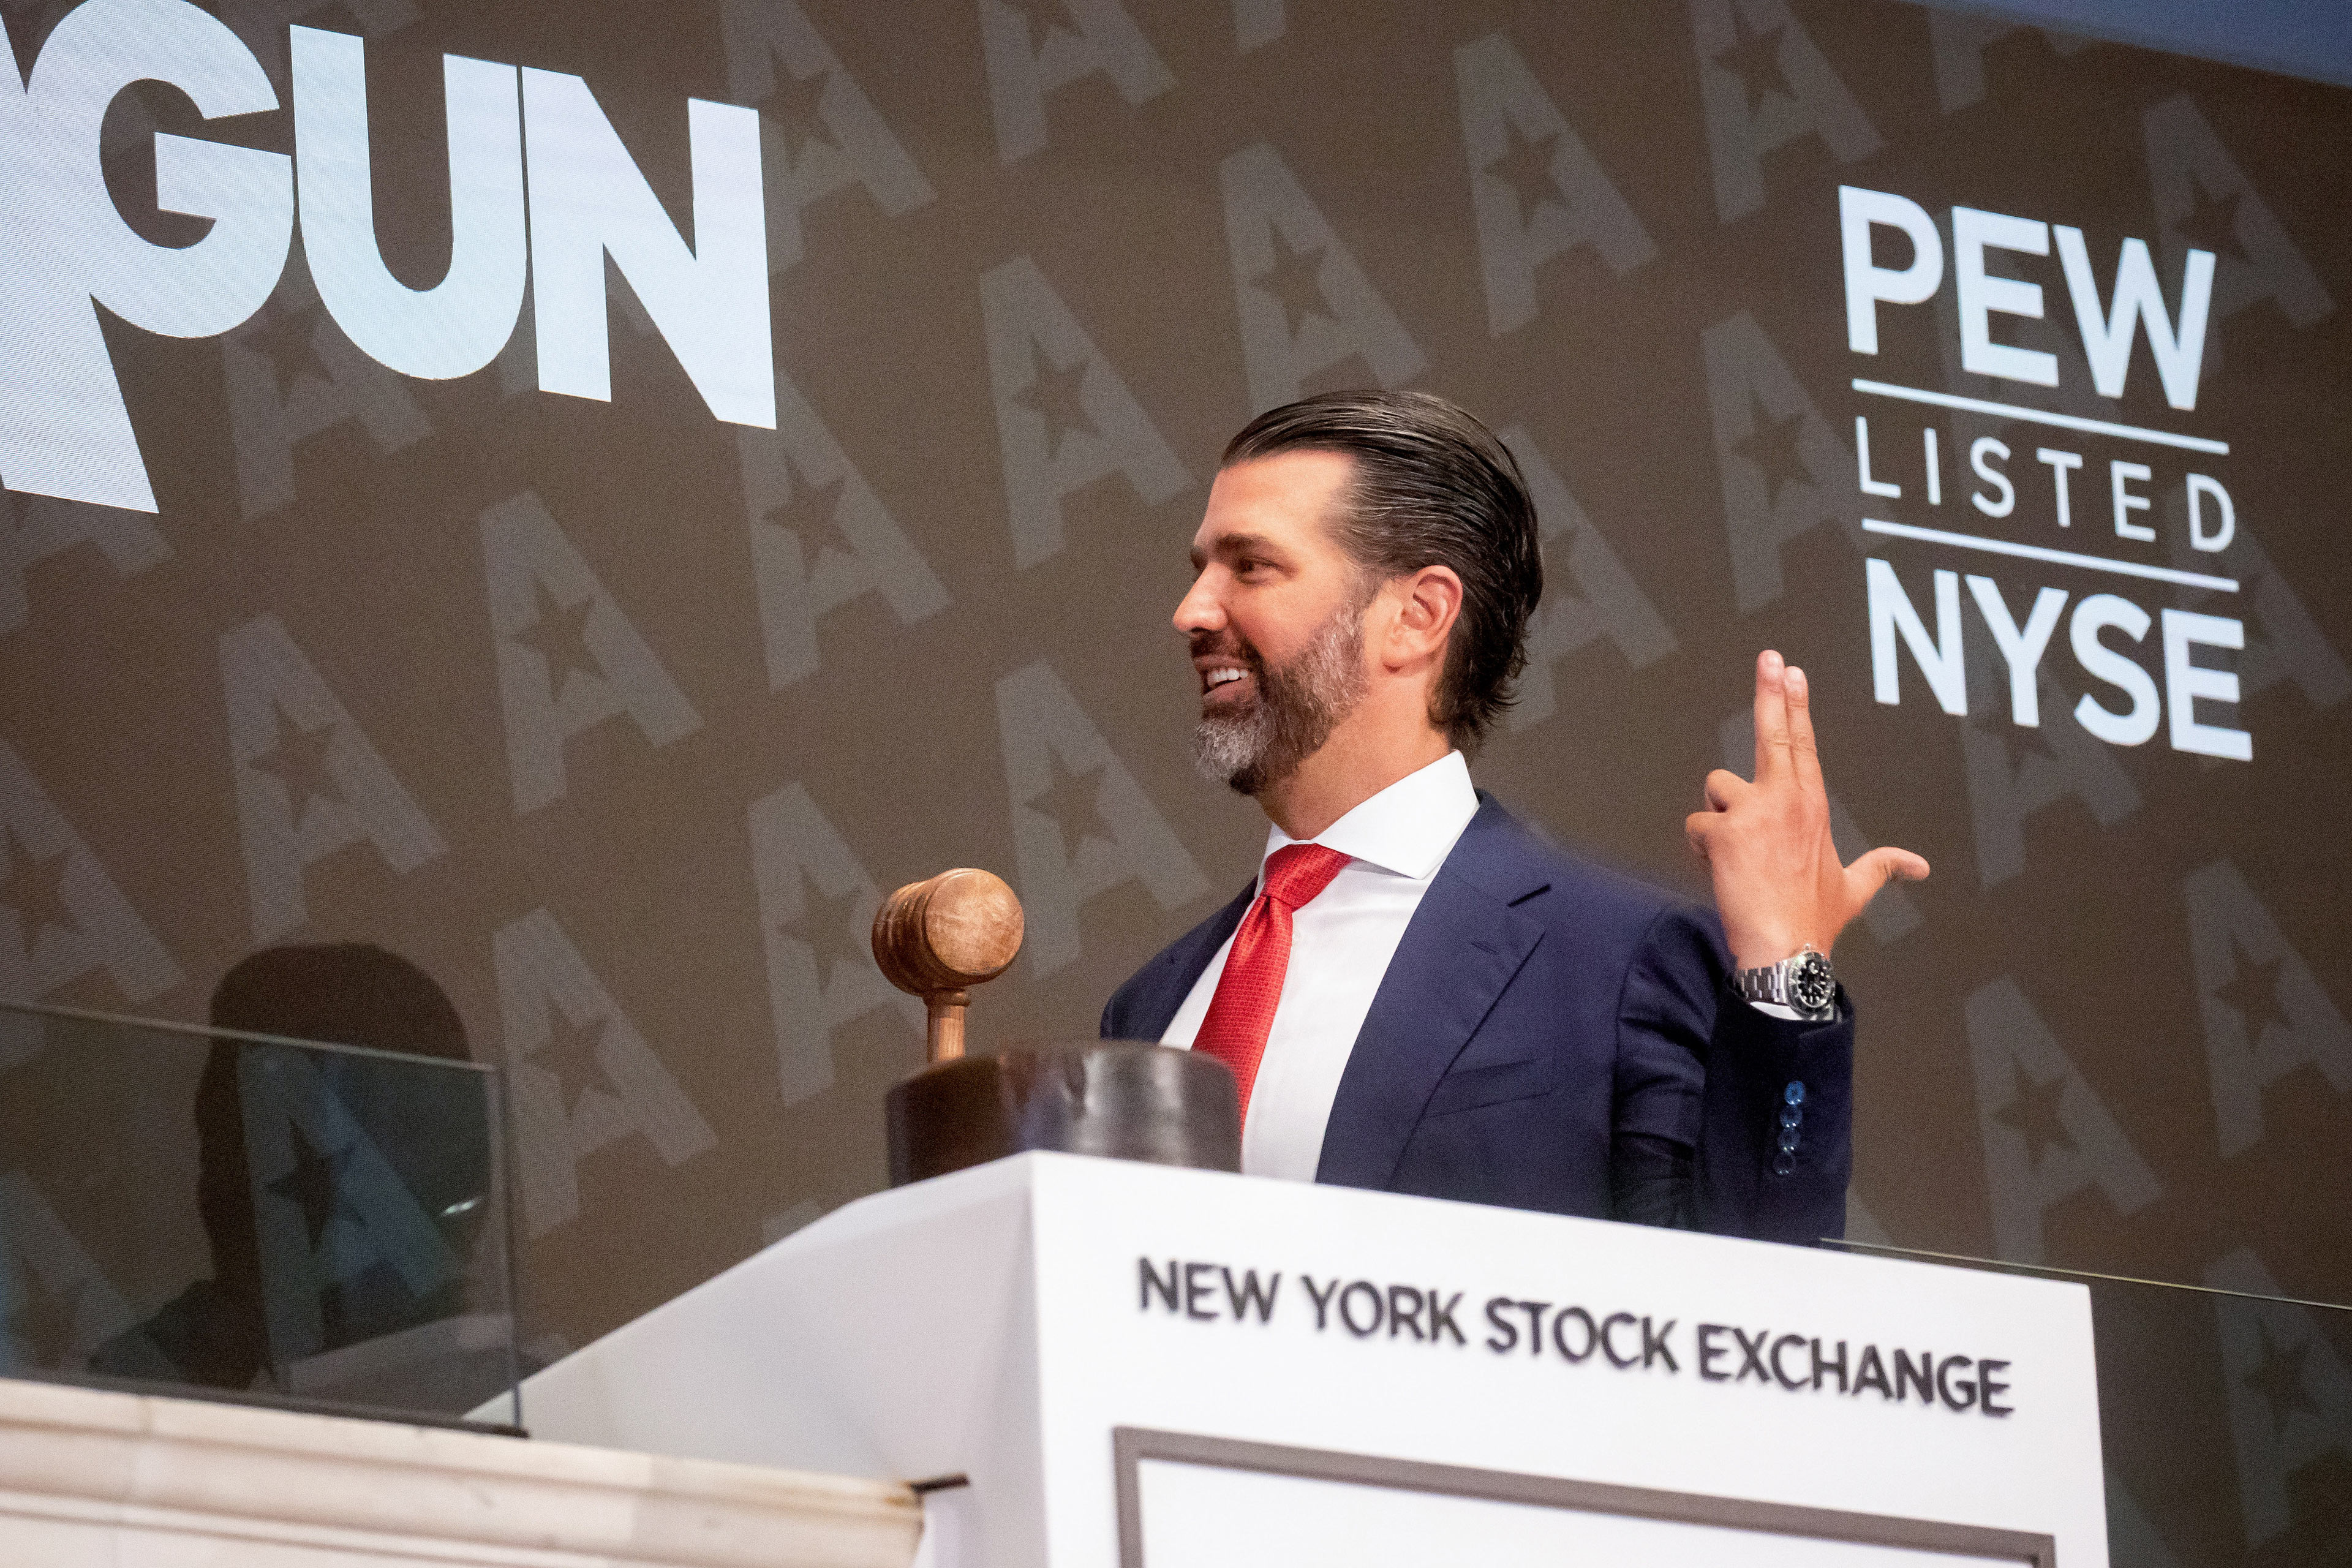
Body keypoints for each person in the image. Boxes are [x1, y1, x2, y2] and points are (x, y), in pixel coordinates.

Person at [1100, 391, 1928, 1245]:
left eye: (1251, 566)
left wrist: (1788, 974)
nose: (1193, 611)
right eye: (1202, 567)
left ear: (1418, 616)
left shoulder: (1621, 962)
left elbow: (1757, 1297)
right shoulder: (1152, 1005)